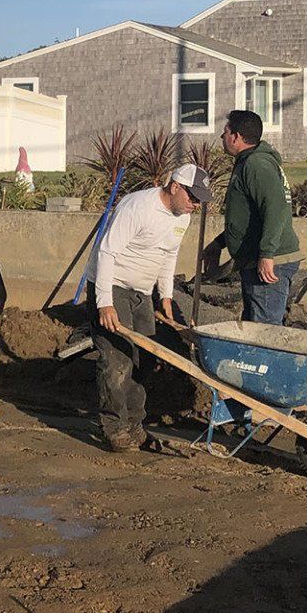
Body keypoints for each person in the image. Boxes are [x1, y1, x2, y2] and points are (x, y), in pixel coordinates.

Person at [87, 165, 211, 450]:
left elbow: (169, 254)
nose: (196, 204)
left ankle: (134, 423)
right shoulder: (138, 207)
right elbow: (107, 251)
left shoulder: (183, 217)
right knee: (117, 358)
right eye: (193, 197)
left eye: (200, 200)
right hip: (113, 284)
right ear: (176, 187)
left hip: (142, 291)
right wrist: (104, 302)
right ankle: (115, 427)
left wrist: (165, 296)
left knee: (144, 359)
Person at [214, 108, 300, 324]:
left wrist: (267, 254)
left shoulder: (256, 164)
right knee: (254, 325)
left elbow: (277, 208)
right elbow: (249, 217)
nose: (222, 137)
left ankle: (270, 359)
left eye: (225, 132)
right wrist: (219, 243)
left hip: (270, 261)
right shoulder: (247, 162)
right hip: (256, 258)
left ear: (236, 136)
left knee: (266, 329)